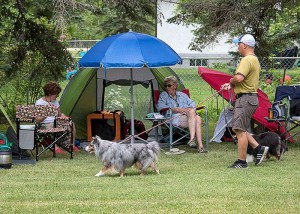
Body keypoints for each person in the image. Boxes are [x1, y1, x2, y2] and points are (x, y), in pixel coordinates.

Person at [220, 34, 269, 168]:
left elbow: (239, 78)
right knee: (240, 128)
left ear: (244, 45)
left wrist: (231, 81)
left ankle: (241, 162)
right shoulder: (254, 59)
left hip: (245, 99)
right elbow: (244, 80)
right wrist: (231, 85)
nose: (237, 47)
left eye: (238, 44)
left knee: (238, 130)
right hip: (250, 98)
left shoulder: (246, 60)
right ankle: (258, 148)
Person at [157, 76, 207, 153]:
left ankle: (193, 140)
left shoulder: (182, 95)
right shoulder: (164, 95)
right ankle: (198, 145)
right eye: (165, 86)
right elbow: (160, 106)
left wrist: (187, 110)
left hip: (188, 117)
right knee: (198, 119)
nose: (167, 88)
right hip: (173, 117)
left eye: (169, 85)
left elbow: (193, 105)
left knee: (194, 115)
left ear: (175, 86)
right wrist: (176, 109)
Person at [35, 81, 79, 153]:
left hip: (56, 122)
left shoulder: (55, 101)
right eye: (56, 94)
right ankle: (54, 146)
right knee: (51, 125)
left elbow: (59, 114)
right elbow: (37, 120)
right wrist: (45, 115)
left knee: (71, 124)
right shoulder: (39, 102)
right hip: (44, 124)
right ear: (49, 93)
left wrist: (63, 116)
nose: (57, 96)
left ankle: (71, 145)